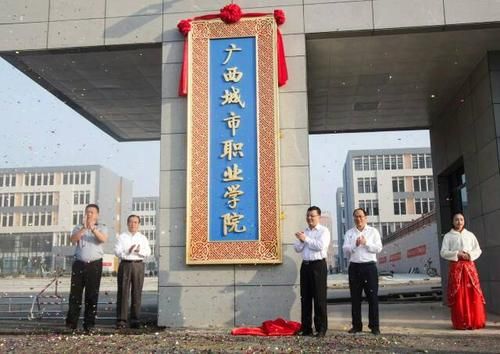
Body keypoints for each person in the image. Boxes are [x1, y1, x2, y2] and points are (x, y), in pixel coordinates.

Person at [66, 204, 108, 333]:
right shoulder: (78, 227)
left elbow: (103, 239)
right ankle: (71, 323)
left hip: (94, 264)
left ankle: (89, 324)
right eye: (87, 212)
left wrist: (93, 229)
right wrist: (84, 228)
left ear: (97, 215)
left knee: (91, 295)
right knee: (75, 294)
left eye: (92, 212)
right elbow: (73, 239)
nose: (89, 214)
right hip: (79, 263)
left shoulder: (102, 227)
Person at [440, 212, 486, 330]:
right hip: (456, 268)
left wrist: (469, 255)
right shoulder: (448, 236)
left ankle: (475, 321)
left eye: (461, 219)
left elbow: (478, 250)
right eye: (456, 220)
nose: (459, 222)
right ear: (453, 222)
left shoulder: (470, 235)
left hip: (469, 268)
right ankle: (461, 322)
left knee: (473, 293)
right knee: (459, 294)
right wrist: (457, 254)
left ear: (464, 221)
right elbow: (443, 252)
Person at [342, 207, 382, 335]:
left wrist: (366, 243)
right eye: (356, 216)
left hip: (369, 267)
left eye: (360, 216)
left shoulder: (373, 231)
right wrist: (355, 245)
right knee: (355, 298)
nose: (358, 219)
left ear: (365, 218)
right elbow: (345, 250)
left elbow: (378, 248)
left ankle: (374, 326)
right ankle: (356, 325)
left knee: (372, 298)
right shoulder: (349, 233)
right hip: (354, 267)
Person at [293, 206, 331, 337]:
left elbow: (320, 246)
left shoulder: (324, 231)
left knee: (319, 298)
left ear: (318, 217)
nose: (309, 218)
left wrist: (306, 240)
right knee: (306, 298)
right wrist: (301, 240)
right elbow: (297, 249)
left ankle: (321, 328)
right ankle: (306, 328)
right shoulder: (305, 231)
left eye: (312, 216)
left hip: (318, 266)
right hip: (306, 266)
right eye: (308, 216)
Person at [114, 214, 152, 329]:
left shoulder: (142, 238)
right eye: (131, 222)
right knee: (123, 292)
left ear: (139, 224)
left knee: (137, 292)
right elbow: (117, 251)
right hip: (125, 264)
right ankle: (121, 319)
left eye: (135, 222)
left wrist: (139, 251)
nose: (133, 224)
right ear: (127, 223)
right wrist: (127, 251)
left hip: (138, 265)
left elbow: (148, 252)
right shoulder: (122, 237)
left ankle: (135, 319)